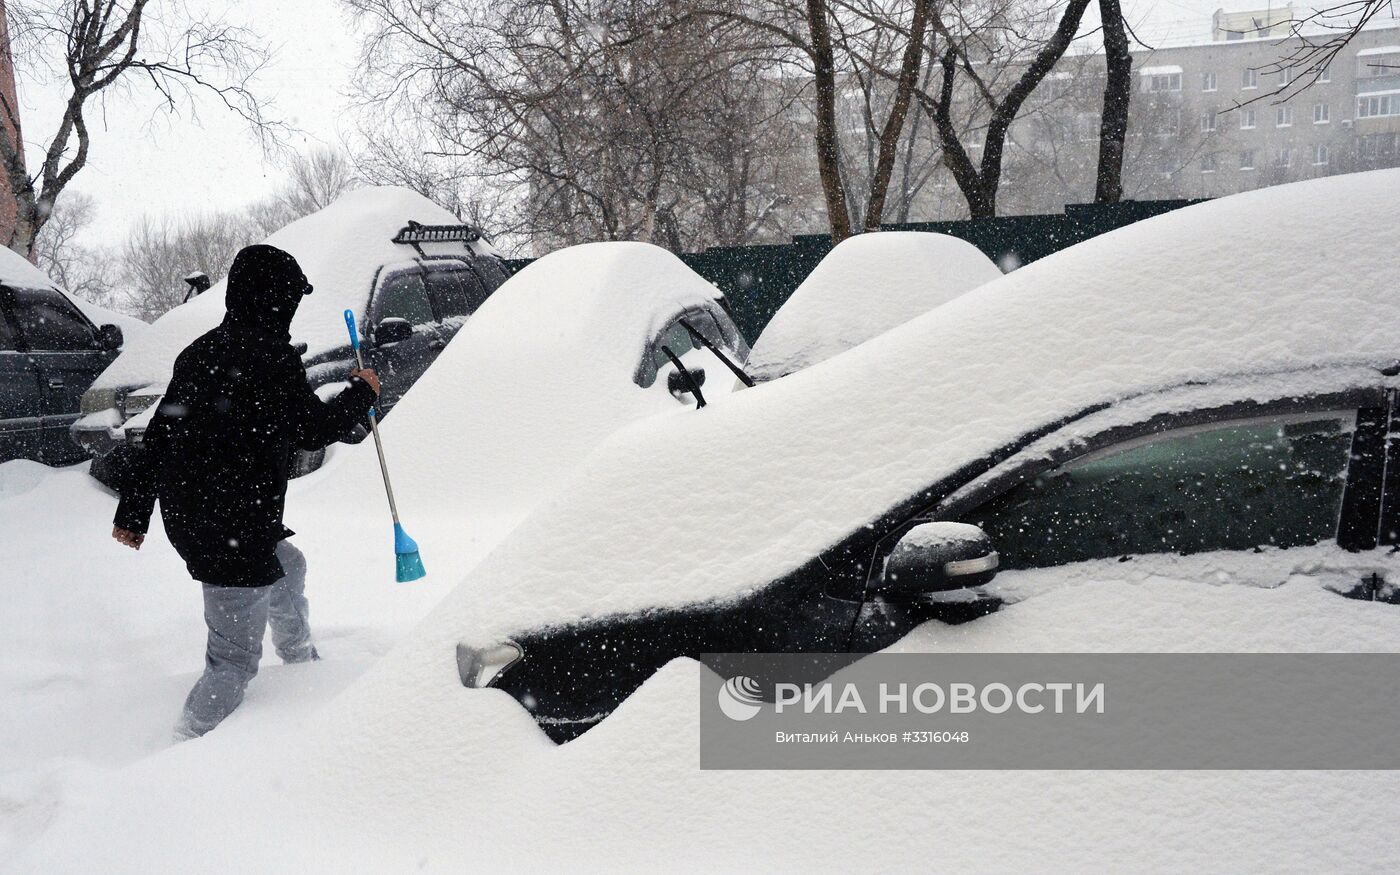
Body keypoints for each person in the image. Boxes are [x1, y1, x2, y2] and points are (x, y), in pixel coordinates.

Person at [111, 244, 380, 741]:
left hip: (204, 513)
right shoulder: (269, 356)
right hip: (230, 524)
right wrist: (362, 393)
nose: (292, 309)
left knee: (288, 564)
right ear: (274, 299)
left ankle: (302, 665)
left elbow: (160, 435)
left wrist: (133, 513)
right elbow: (313, 429)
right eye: (289, 299)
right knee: (233, 661)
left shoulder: (202, 350)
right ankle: (184, 742)